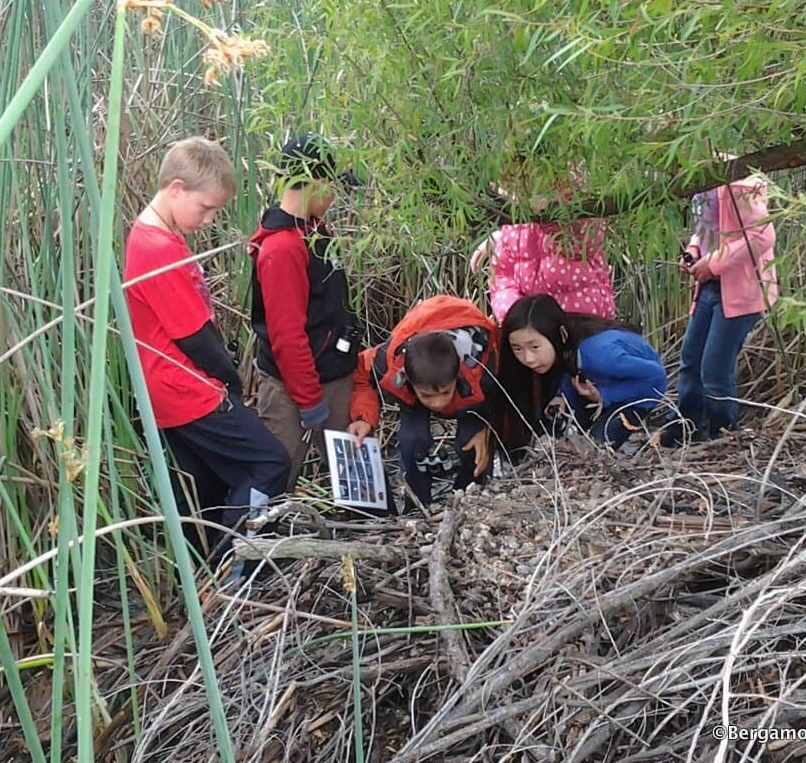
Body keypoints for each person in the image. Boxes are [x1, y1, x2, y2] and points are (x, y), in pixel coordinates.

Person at [123, 136, 290, 554]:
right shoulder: (156, 248)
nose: (210, 220)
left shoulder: (161, 234)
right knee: (269, 463)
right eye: (206, 208)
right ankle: (239, 562)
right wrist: (230, 381)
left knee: (208, 486)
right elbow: (193, 335)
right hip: (187, 390)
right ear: (176, 188)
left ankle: (209, 574)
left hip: (173, 389)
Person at [248, 133, 362, 489]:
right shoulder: (282, 249)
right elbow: (286, 335)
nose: (334, 197)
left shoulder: (314, 232)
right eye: (332, 186)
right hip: (291, 390)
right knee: (276, 478)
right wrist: (310, 401)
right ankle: (255, 541)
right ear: (314, 182)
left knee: (357, 485)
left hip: (333, 374)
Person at [659, 171, 778, 447]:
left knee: (714, 368)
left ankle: (722, 433)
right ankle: (685, 425)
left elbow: (762, 235)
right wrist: (693, 252)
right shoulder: (701, 181)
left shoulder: (737, 183)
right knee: (690, 359)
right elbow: (706, 229)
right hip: (710, 288)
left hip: (741, 289)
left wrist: (713, 263)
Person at [347, 295, 498, 508]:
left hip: (471, 395)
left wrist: (489, 430)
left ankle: (468, 499)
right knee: (412, 440)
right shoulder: (388, 360)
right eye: (428, 396)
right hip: (416, 388)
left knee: (472, 443)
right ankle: (417, 504)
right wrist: (364, 418)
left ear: (457, 376)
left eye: (444, 393)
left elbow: (510, 399)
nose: (437, 404)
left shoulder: (485, 367)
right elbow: (360, 372)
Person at [499, 294, 666, 451]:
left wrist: (605, 395)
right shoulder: (569, 344)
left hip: (637, 396)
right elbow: (568, 368)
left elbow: (656, 377)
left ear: (561, 335)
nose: (528, 358)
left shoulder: (601, 356)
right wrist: (562, 395)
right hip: (598, 386)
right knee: (558, 433)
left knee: (596, 447)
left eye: (534, 347)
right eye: (518, 349)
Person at [469, 169, 616, 324]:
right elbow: (503, 276)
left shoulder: (580, 206)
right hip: (533, 333)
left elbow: (583, 245)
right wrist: (514, 316)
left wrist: (549, 215)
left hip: (582, 324)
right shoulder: (516, 220)